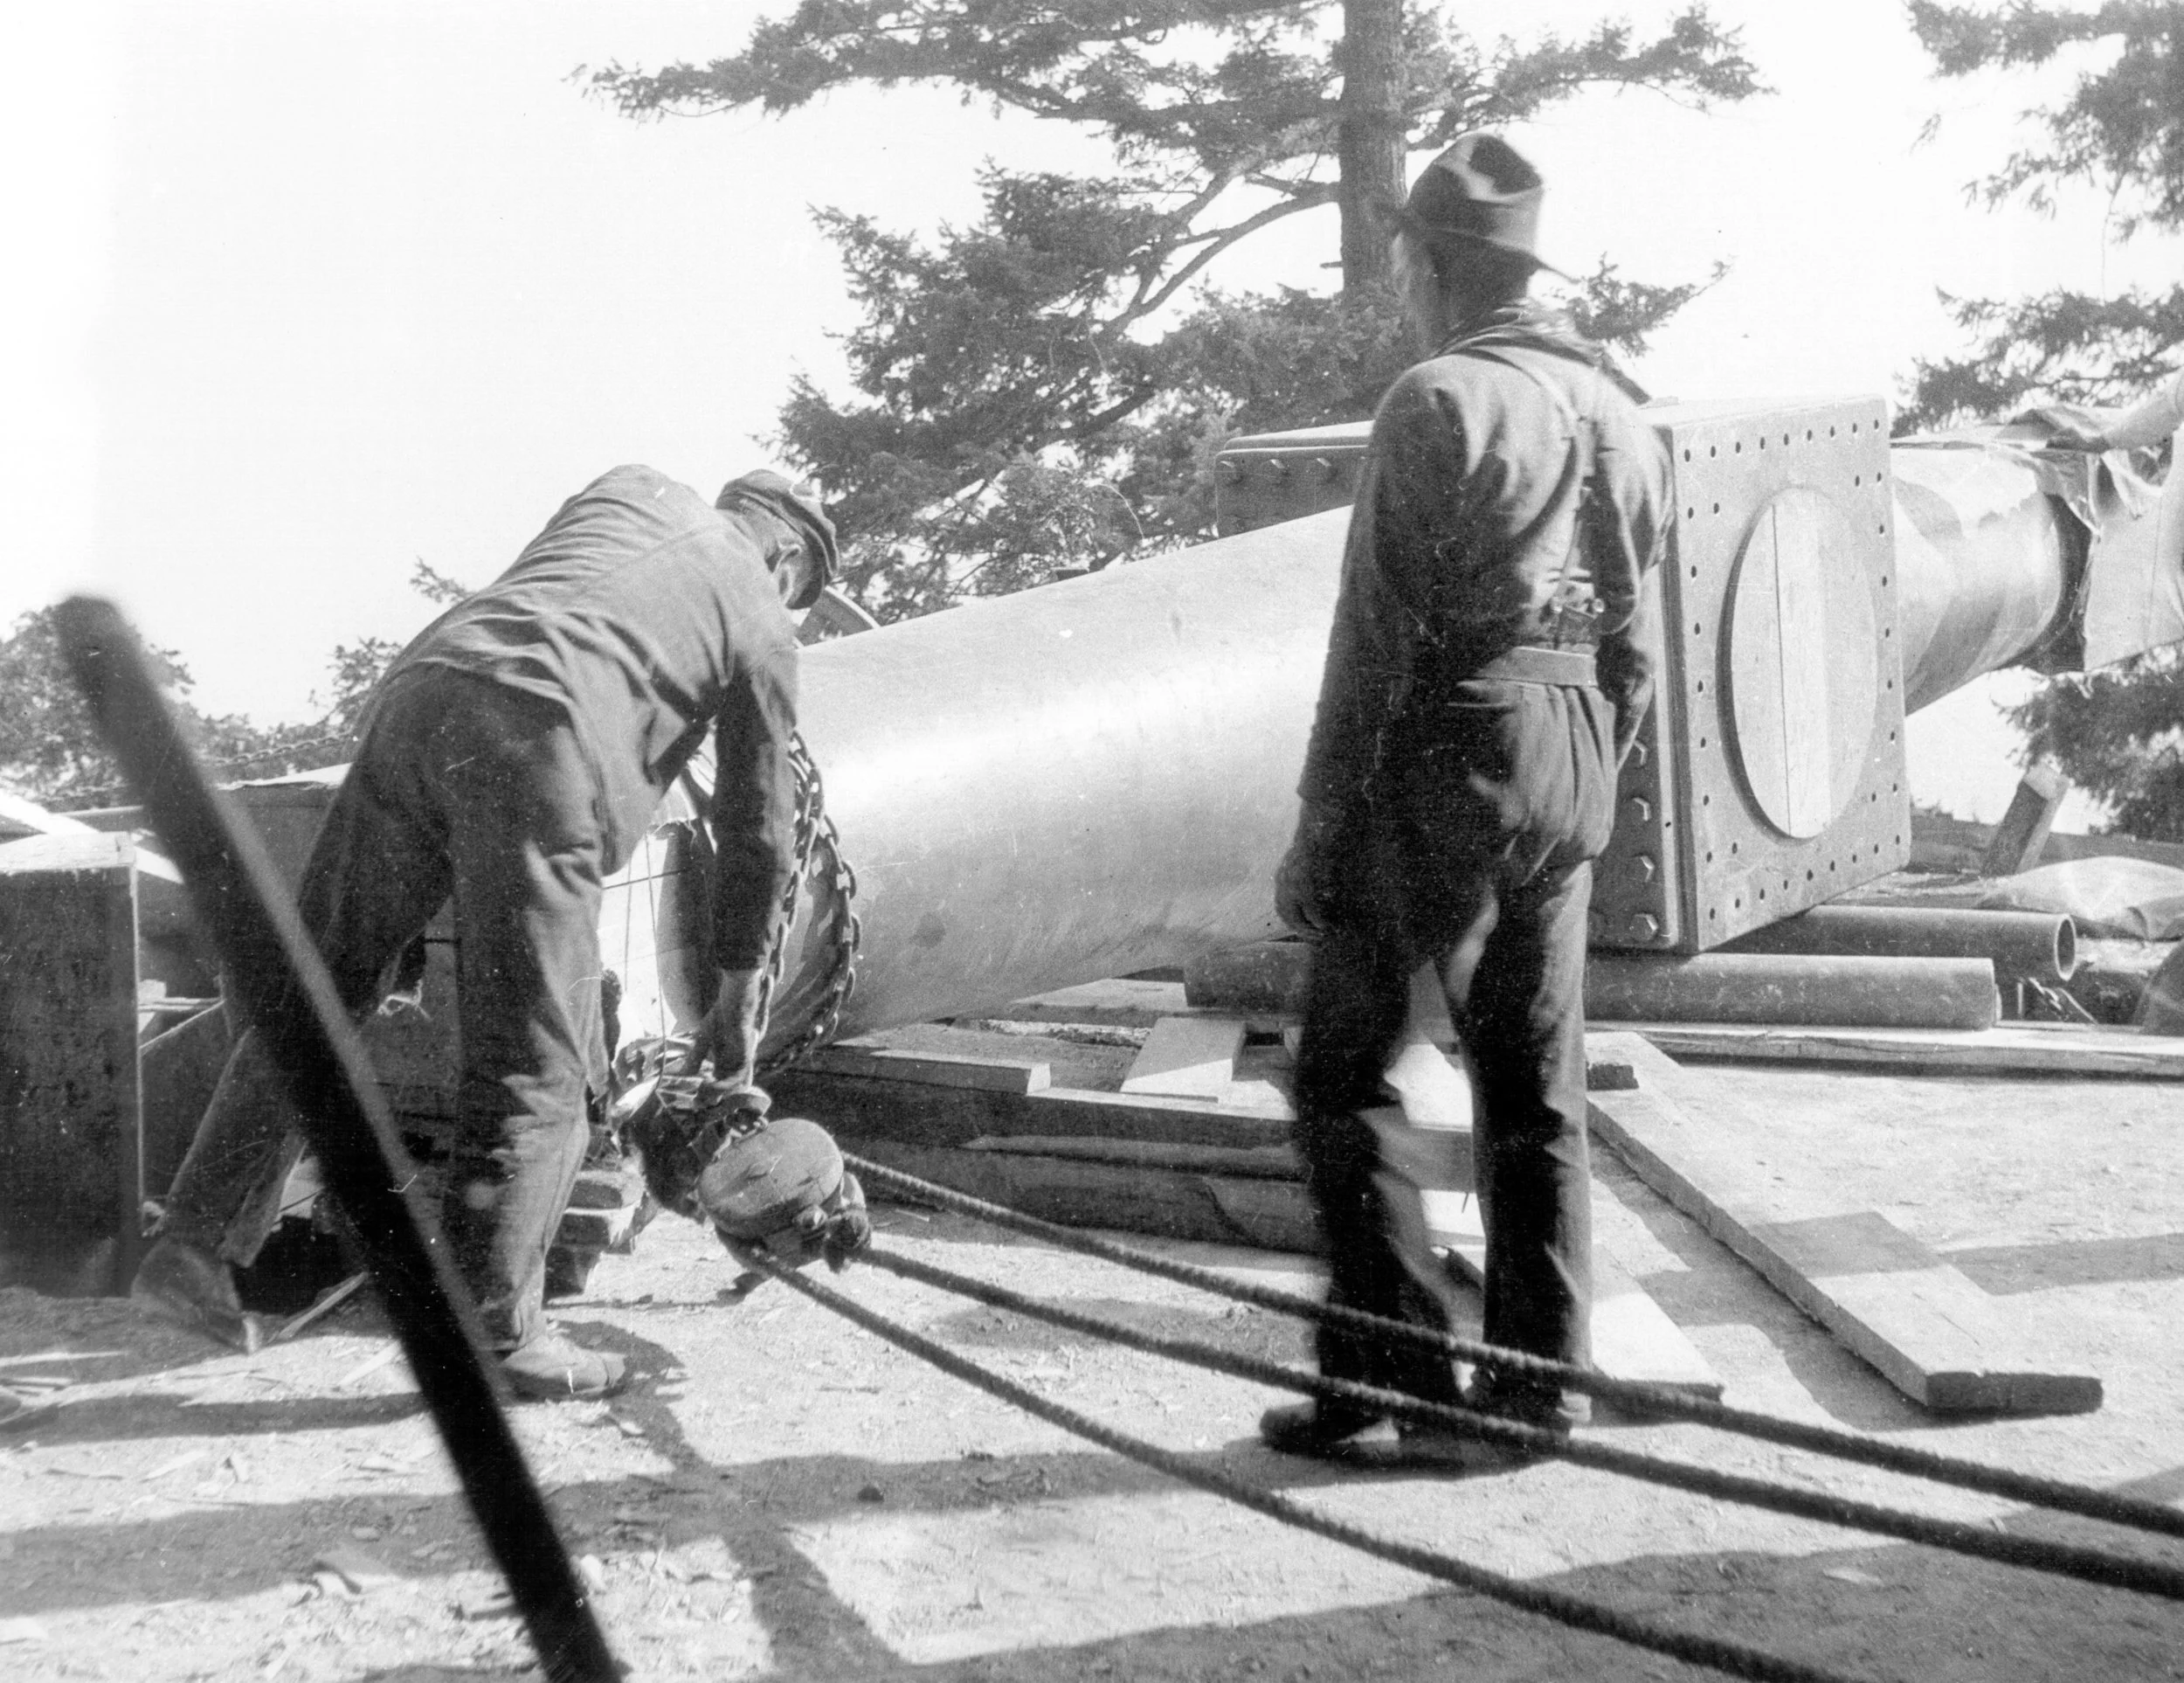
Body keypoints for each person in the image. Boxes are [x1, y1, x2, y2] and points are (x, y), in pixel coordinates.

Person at [129, 466, 839, 1401]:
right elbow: (759, 824)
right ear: (785, 555)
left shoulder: (630, 490)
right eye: (797, 593)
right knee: (531, 1065)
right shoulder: (759, 606)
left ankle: (190, 1250)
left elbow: (549, 614)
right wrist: (739, 1000)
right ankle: (497, 1338)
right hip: (546, 740)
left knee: (318, 993)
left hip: (420, 694)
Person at [1262, 134, 1669, 1467]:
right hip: (1574, 754)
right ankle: (1536, 1387)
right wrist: (1589, 768)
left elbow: (1370, 638)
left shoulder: (1435, 400)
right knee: (1531, 1080)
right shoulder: (1624, 412)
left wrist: (1321, 830)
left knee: (1337, 1069)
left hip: (1455, 744)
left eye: (1406, 267)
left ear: (1439, 268)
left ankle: (1394, 1375)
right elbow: (1638, 650)